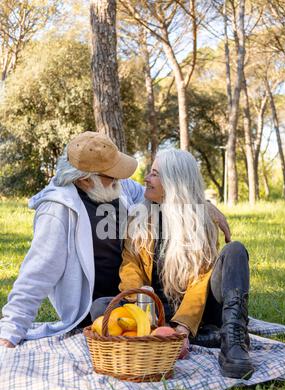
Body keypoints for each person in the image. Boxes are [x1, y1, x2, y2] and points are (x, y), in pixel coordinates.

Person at [0, 132, 230, 349]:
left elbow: (167, 190)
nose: (121, 177)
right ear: (85, 180)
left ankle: (171, 331)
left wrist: (204, 207)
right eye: (113, 174)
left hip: (141, 293)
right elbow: (37, 271)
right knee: (102, 309)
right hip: (103, 306)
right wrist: (11, 329)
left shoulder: (116, 188)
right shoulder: (58, 212)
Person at [118, 149, 254, 379]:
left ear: (174, 182)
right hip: (157, 314)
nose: (146, 179)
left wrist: (182, 327)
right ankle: (198, 337)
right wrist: (140, 304)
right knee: (100, 308)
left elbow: (201, 280)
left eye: (154, 174)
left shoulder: (201, 222)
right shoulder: (138, 217)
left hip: (199, 314)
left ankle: (232, 341)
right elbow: (129, 264)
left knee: (235, 251)